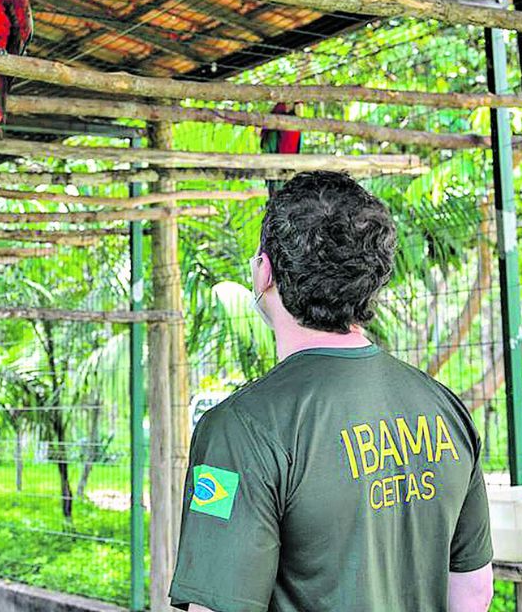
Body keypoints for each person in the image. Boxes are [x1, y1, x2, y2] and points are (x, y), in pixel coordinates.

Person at [169, 171, 493, 612]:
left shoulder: (241, 430)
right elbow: (473, 592)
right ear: (372, 279)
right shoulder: (444, 408)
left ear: (264, 271)